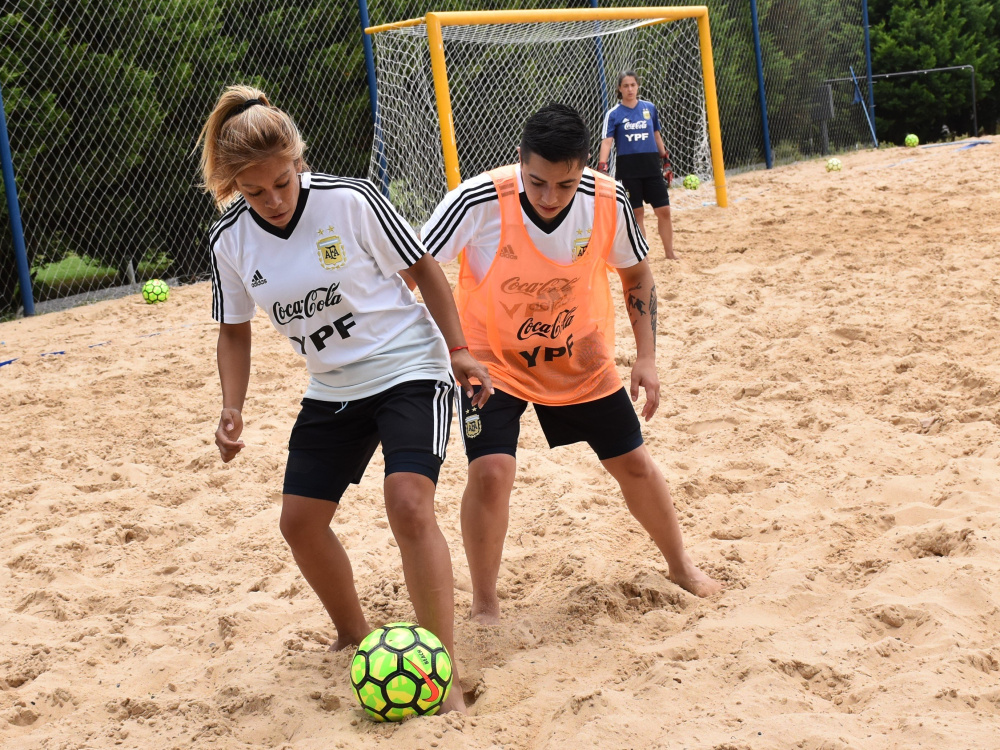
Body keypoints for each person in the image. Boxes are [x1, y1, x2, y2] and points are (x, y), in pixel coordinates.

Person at [198, 85, 492, 714]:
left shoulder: (350, 201)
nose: (274, 200)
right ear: (231, 187)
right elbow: (233, 329)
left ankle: (444, 673)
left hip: (409, 366)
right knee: (299, 523)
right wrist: (232, 406)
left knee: (409, 504)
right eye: (255, 192)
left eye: (283, 181)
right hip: (332, 387)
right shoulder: (230, 241)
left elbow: (425, 272)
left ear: (298, 160)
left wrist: (460, 349)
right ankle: (355, 636)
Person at [420, 103, 721, 625]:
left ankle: (680, 565)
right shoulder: (477, 199)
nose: (549, 197)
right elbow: (413, 263)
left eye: (564, 184)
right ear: (521, 161)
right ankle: (485, 602)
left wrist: (646, 357)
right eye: (537, 183)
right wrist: (448, 349)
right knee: (491, 472)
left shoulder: (608, 199)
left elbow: (636, 278)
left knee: (632, 462)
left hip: (578, 354)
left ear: (584, 166)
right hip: (493, 361)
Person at [598, 71, 676, 260]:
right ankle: (643, 255)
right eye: (625, 85)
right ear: (619, 88)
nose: (630, 89)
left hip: (651, 166)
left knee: (663, 210)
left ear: (638, 86)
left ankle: (670, 253)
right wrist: (602, 165)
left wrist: (664, 158)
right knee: (636, 212)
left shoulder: (649, 108)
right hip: (628, 168)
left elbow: (656, 134)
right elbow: (607, 141)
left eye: (633, 85)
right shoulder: (613, 114)